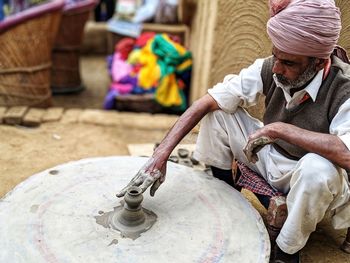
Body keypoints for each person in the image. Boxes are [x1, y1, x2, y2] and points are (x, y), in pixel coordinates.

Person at [117, 0, 350, 262]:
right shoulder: (270, 68)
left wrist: (281, 130)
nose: (276, 68)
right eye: (276, 57)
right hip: (270, 157)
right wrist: (161, 155)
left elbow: (347, 154)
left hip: (310, 179)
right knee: (217, 114)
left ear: (318, 63)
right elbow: (207, 101)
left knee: (318, 169)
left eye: (288, 63)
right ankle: (227, 202)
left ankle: (286, 250)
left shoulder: (344, 88)